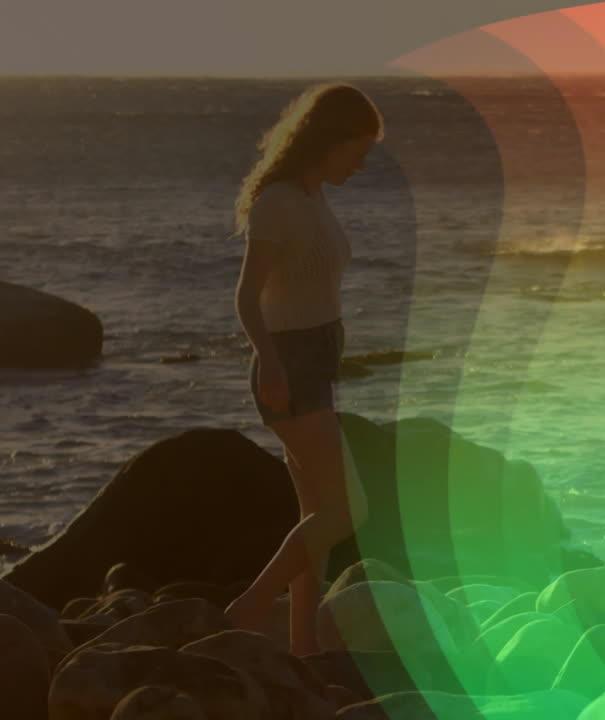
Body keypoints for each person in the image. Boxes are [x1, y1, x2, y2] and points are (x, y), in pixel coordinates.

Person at [225, 82, 382, 656]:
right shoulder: (278, 202)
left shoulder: (314, 195)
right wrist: (270, 362)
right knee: (347, 510)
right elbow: (247, 297)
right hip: (289, 365)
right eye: (357, 151)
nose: (360, 165)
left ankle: (302, 646)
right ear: (329, 140)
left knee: (316, 514)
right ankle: (250, 606)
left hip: (316, 362)